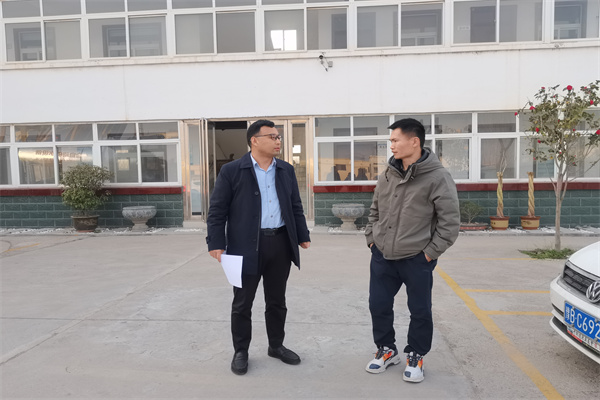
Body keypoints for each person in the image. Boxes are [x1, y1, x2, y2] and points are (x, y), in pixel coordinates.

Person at [206, 119, 311, 376]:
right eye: (272, 137)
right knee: (242, 303)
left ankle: (276, 346)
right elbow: (217, 210)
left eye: (278, 137)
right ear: (254, 140)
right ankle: (241, 351)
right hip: (244, 246)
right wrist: (216, 242)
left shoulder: (285, 170)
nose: (278, 141)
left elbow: (295, 206)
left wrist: (302, 234)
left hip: (280, 243)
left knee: (277, 301)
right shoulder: (232, 170)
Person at [364, 118, 459, 383]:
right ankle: (386, 349)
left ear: (414, 141)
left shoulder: (438, 177)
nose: (391, 145)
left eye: (395, 140)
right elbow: (375, 210)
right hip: (383, 255)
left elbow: (450, 223)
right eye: (391, 141)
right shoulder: (388, 173)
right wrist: (372, 239)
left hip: (416, 258)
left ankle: (416, 354)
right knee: (378, 305)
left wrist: (429, 254)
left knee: (420, 310)